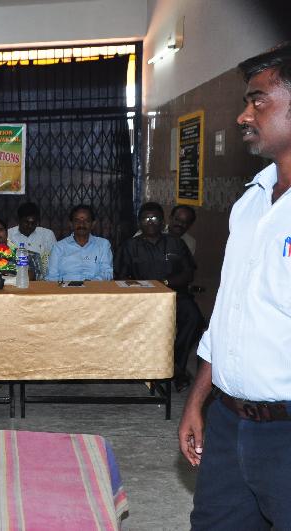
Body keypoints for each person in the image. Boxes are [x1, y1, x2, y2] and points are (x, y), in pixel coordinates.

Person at [178, 44, 291, 530]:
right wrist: (198, 400)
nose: (244, 115)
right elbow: (230, 313)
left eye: (258, 100)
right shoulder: (251, 202)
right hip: (228, 423)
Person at [115, 202, 203, 391]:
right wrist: (141, 287)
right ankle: (167, 369)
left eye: (155, 218)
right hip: (143, 299)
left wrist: (164, 283)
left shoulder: (176, 243)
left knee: (194, 318)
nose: (150, 222)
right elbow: (120, 277)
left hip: (174, 296)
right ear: (139, 222)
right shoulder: (130, 246)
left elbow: (188, 274)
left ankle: (173, 365)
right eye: (146, 218)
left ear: (162, 221)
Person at [45, 204, 113, 282]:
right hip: (66, 291)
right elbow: (51, 277)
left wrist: (93, 283)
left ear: (93, 224)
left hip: (94, 290)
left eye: (86, 221)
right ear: (71, 224)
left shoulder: (103, 245)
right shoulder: (59, 247)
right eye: (77, 221)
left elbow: (107, 273)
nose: (81, 224)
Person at [7, 202, 56, 275]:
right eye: (26, 222)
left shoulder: (47, 235)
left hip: (42, 281)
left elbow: (54, 261)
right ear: (18, 220)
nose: (30, 226)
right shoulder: (8, 235)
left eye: (33, 223)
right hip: (16, 279)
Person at [134, 204, 198, 255]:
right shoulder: (150, 231)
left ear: (190, 225)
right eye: (177, 220)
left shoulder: (190, 242)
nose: (180, 224)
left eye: (184, 222)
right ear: (170, 218)